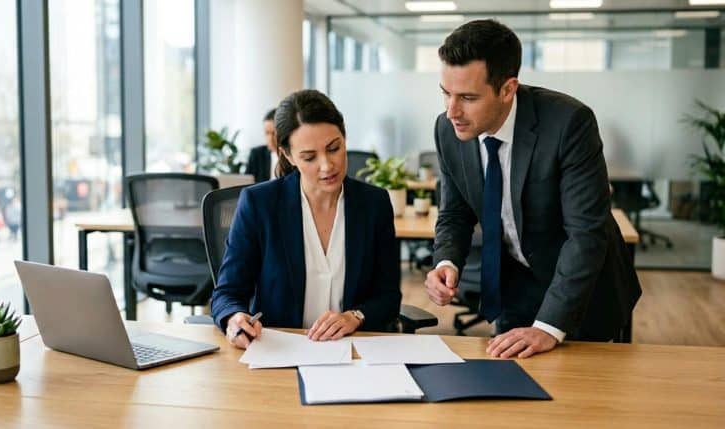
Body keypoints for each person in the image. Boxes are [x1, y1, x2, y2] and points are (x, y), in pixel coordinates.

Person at [425, 20, 641, 359]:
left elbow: (586, 234)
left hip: (580, 288)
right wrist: (446, 260)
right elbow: (455, 211)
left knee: (584, 399)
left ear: (508, 89)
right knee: (510, 390)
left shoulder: (569, 123)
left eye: (467, 97)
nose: (452, 111)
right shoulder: (447, 129)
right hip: (513, 283)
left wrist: (549, 326)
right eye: (446, 93)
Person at [211, 89, 401, 349]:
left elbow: (388, 296)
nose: (327, 166)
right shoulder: (259, 204)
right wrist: (234, 319)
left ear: (345, 138)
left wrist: (354, 317)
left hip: (354, 351)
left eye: (334, 148)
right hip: (279, 352)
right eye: (309, 157)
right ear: (287, 155)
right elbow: (227, 293)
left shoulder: (374, 203)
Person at [245, 108, 279, 182]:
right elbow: (246, 183)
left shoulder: (291, 155)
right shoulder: (256, 154)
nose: (270, 139)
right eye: (267, 133)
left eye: (274, 133)